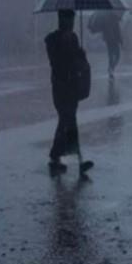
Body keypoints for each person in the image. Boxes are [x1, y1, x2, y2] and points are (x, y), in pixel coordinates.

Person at [45, 10, 93, 175]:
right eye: (69, 20)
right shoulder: (53, 40)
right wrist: (69, 52)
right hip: (60, 88)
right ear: (61, 20)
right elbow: (56, 63)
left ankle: (56, 155)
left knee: (66, 121)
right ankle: (76, 159)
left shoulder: (73, 38)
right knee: (68, 120)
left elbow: (78, 63)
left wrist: (81, 55)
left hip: (72, 87)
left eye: (73, 21)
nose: (71, 24)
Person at [102, 12, 123, 79]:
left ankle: (111, 68)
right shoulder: (114, 20)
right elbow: (118, 32)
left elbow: (104, 32)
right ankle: (111, 68)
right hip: (113, 41)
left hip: (109, 41)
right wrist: (121, 41)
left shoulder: (105, 20)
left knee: (111, 56)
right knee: (117, 56)